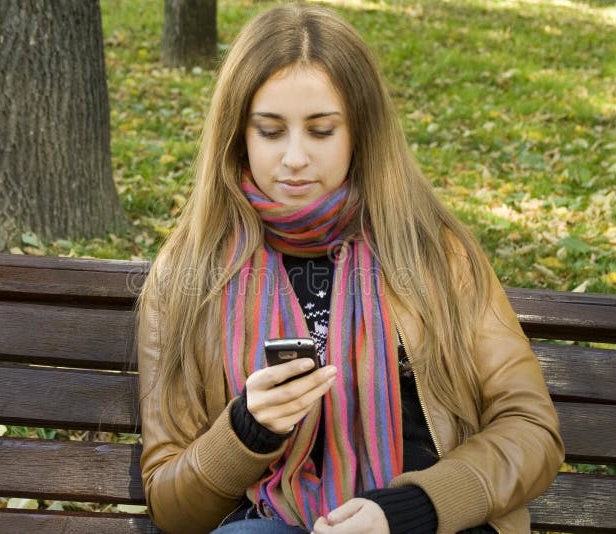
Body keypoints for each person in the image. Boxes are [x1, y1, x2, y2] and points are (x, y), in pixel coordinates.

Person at [137, 4, 564, 533]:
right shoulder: (189, 272)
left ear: (359, 131)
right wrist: (247, 431)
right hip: (274, 522)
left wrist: (412, 510)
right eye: (271, 131)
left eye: (320, 131)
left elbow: (530, 428)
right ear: (238, 134)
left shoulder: (434, 251)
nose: (295, 157)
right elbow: (170, 503)